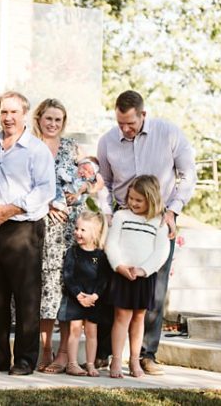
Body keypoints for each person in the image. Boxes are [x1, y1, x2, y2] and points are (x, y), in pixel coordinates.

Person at [94, 90, 195, 375]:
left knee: (154, 291)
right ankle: (105, 352)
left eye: (131, 123)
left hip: (159, 221)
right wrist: (107, 214)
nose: (125, 129)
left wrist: (172, 212)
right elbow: (104, 181)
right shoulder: (108, 141)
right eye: (120, 123)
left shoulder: (169, 134)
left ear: (143, 115)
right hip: (122, 222)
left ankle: (146, 355)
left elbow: (188, 175)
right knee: (110, 287)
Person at [0, 91, 55, 376]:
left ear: (24, 114)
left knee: (25, 297)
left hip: (23, 228)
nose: (8, 118)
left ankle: (24, 360)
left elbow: (46, 190)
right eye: (4, 112)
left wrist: (10, 209)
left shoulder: (36, 149)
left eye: (13, 112)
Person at [28, 98, 84, 373]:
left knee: (69, 284)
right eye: (48, 118)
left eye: (58, 120)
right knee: (46, 286)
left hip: (71, 225)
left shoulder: (72, 147)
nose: (52, 124)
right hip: (43, 224)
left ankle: (64, 353)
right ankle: (45, 348)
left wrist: (82, 191)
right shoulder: (29, 146)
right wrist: (48, 203)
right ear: (39, 118)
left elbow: (89, 178)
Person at [104, 176, 171, 379]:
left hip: (143, 276)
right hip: (123, 273)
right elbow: (111, 243)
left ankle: (134, 361)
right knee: (121, 317)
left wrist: (143, 270)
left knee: (139, 317)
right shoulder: (121, 216)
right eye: (131, 198)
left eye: (138, 200)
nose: (133, 203)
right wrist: (119, 265)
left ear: (151, 200)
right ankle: (115, 360)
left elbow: (161, 252)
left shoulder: (159, 222)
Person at [56, 212, 110, 377]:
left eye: (83, 230)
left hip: (93, 300)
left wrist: (95, 295)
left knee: (92, 332)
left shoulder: (100, 255)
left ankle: (90, 364)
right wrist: (78, 295)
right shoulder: (73, 252)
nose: (77, 232)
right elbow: (68, 275)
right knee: (75, 330)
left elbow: (103, 278)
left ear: (95, 233)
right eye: (77, 228)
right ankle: (72, 364)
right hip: (75, 299)